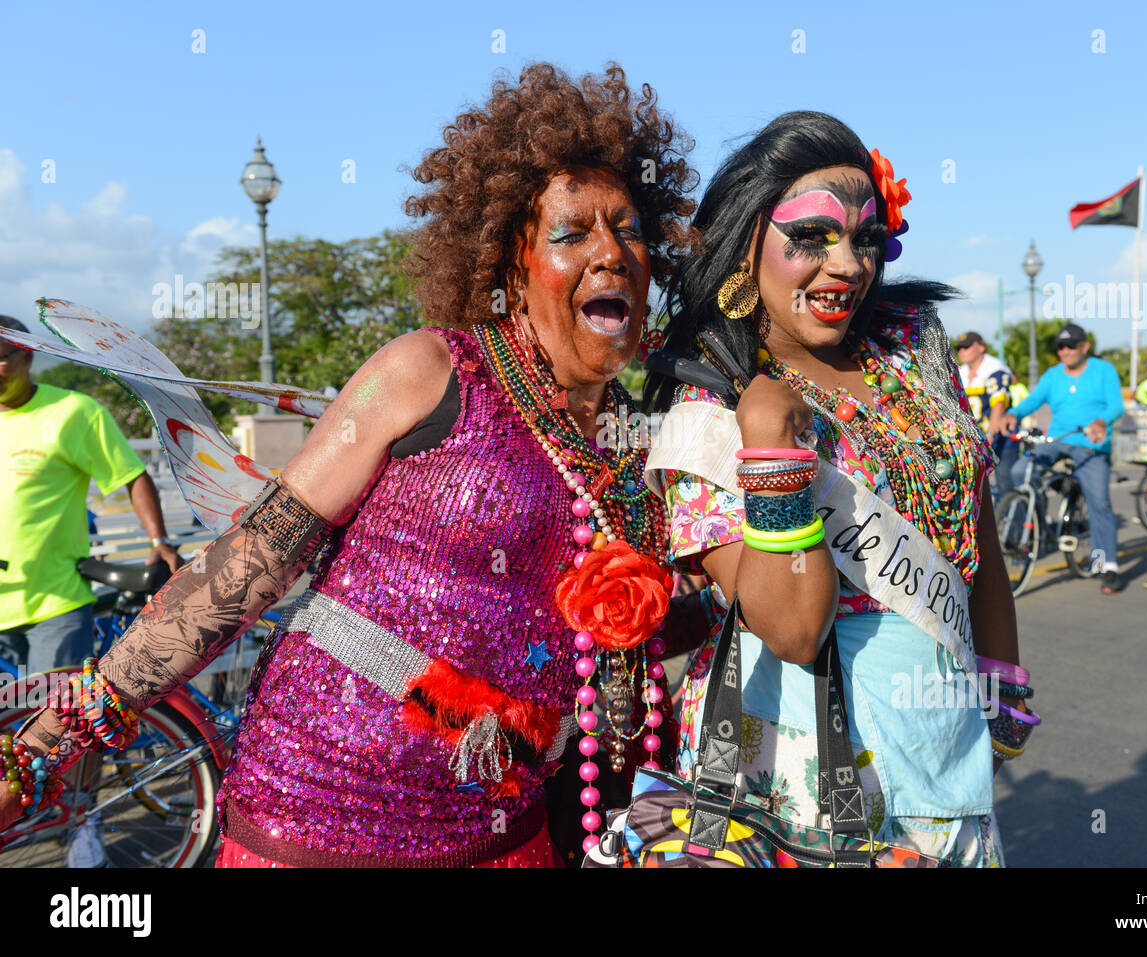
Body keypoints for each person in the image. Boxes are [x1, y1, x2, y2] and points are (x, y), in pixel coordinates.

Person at [1, 63, 700, 866]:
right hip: (320, 822)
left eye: (631, 228)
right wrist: (40, 743)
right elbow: (251, 561)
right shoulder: (430, 371)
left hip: (506, 839)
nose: (612, 252)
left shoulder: (640, 442)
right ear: (512, 262)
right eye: (572, 233)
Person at [643, 113, 1031, 866]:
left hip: (947, 760)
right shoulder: (709, 415)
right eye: (812, 237)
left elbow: (974, 521)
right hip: (809, 783)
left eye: (862, 238)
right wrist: (770, 450)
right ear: (746, 243)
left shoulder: (911, 340)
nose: (847, 264)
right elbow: (792, 629)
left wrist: (1002, 692)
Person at [1, 315, 183, 866]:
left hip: (55, 602)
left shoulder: (73, 412)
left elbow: (130, 475)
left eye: (3, 353)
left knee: (68, 729)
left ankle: (83, 822)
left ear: (29, 356)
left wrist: (159, 541)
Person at [1001, 323, 1126, 593]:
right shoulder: (1053, 375)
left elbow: (1117, 406)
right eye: (1061, 347)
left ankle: (1108, 564)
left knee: (1100, 503)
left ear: (1085, 347)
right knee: (1020, 472)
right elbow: (1033, 400)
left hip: (1090, 444)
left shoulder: (1103, 370)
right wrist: (1013, 414)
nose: (1066, 351)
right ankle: (1037, 524)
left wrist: (1101, 421)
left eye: (1072, 345)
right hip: (1056, 440)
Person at [955, 330, 1015, 494]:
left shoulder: (994, 367)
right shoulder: (961, 371)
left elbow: (999, 403)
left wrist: (990, 434)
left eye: (967, 347)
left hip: (999, 436)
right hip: (975, 438)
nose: (962, 351)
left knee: (1005, 486)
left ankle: (1018, 519)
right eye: (959, 348)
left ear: (981, 347)